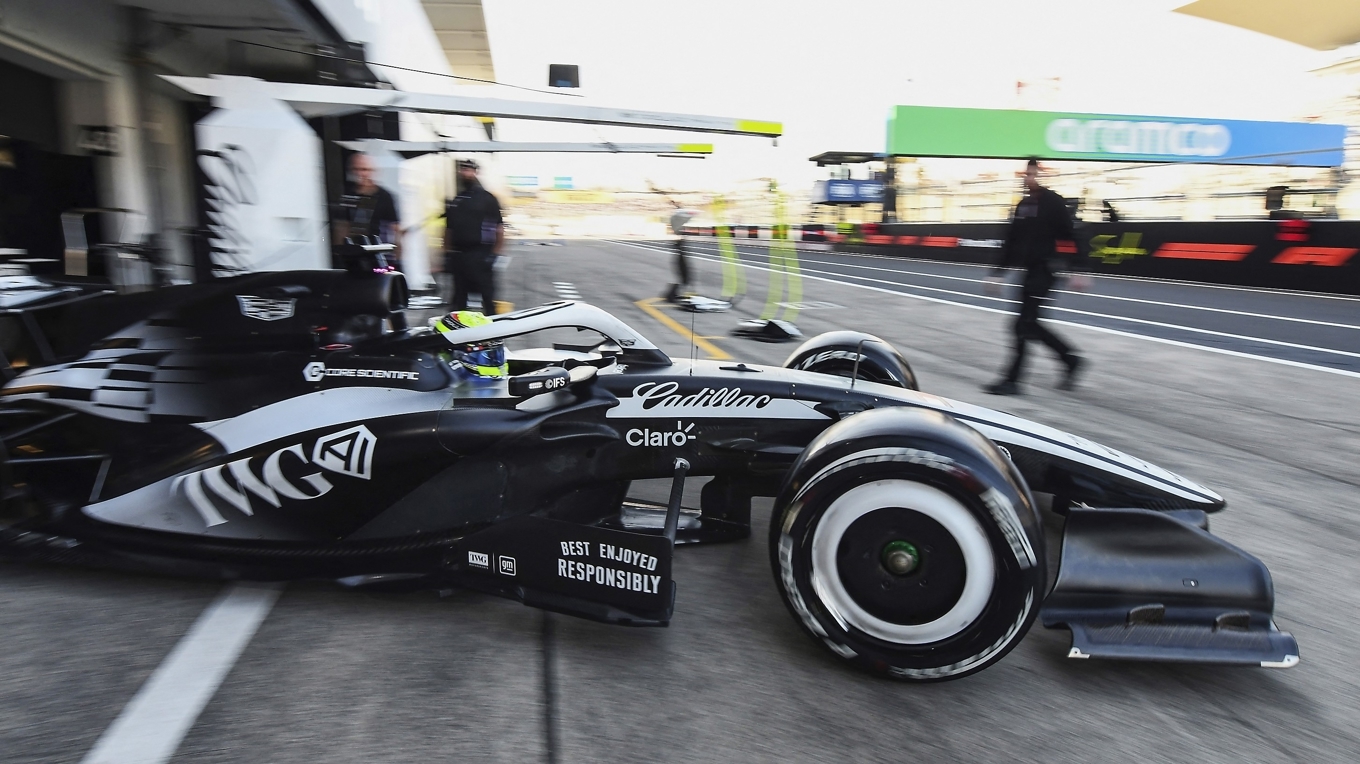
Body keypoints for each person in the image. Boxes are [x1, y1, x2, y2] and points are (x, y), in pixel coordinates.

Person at [983, 159, 1088, 396]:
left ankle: (1012, 380)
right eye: (1026, 174)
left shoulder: (1053, 202)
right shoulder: (1023, 205)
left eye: (1033, 174)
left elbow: (1073, 235)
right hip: (1029, 271)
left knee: (1022, 325)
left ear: (1041, 175)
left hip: (1045, 270)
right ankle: (1070, 359)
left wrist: (1079, 270)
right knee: (1029, 324)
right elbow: (1011, 242)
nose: (1028, 178)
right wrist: (997, 273)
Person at [444, 159, 504, 314]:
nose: (466, 173)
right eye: (463, 170)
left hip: (480, 255)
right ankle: (458, 334)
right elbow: (448, 230)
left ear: (476, 172)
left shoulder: (488, 199)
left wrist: (494, 255)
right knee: (458, 301)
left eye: (469, 170)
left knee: (487, 298)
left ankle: (494, 333)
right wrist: (447, 254)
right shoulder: (458, 200)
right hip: (460, 256)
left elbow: (499, 229)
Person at [338, 153, 401, 269]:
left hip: (380, 253)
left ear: (373, 171)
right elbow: (343, 226)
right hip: (356, 253)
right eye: (357, 169)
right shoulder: (349, 195)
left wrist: (397, 252)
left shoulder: (384, 196)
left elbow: (396, 227)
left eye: (365, 169)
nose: (361, 173)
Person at [666, 207, 695, 302]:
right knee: (684, 280)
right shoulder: (679, 237)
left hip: (681, 260)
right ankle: (670, 296)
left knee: (684, 279)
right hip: (681, 260)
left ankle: (671, 295)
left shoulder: (679, 237)